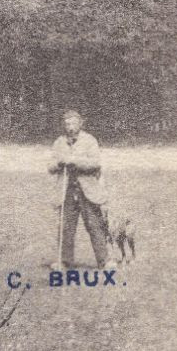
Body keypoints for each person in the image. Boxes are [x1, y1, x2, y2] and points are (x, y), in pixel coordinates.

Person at [48, 109, 113, 271]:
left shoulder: (89, 141)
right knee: (66, 227)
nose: (69, 127)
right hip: (67, 191)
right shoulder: (59, 142)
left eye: (73, 123)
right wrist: (59, 163)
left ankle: (104, 260)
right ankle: (64, 261)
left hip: (87, 190)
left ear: (80, 124)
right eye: (67, 123)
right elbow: (50, 166)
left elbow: (95, 163)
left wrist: (74, 161)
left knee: (94, 224)